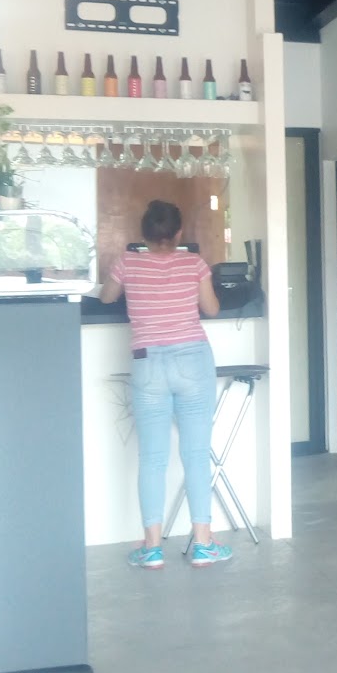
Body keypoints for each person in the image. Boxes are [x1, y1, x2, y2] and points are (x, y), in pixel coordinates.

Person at [101, 200, 232, 569]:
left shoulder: (128, 263)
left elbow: (107, 297)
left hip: (148, 363)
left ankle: (152, 548)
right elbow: (212, 309)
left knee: (152, 458)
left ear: (144, 233)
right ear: (178, 233)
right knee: (196, 454)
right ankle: (203, 544)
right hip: (192, 359)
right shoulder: (194, 263)